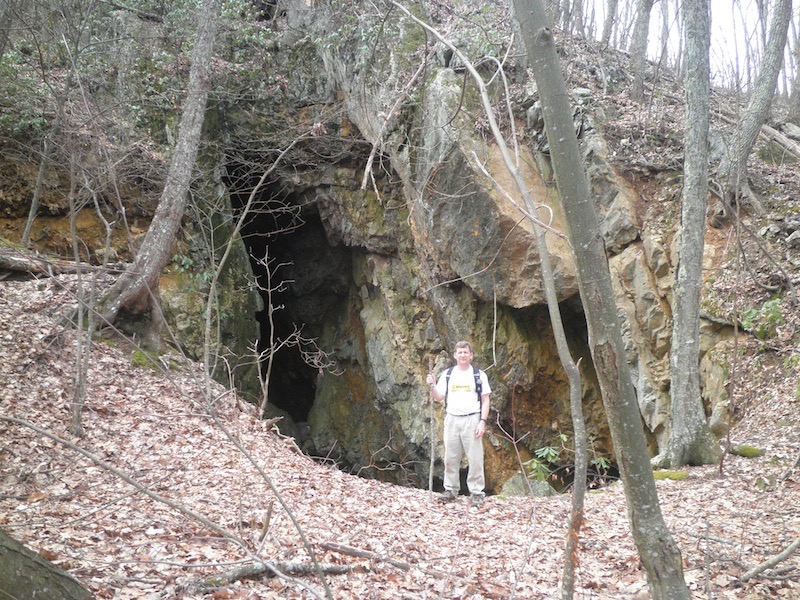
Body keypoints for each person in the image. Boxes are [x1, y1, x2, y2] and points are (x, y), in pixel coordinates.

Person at [427, 341, 491, 507]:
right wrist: (432, 385)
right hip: (452, 419)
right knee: (451, 457)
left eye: (466, 352)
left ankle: (476, 492)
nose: (462, 355)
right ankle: (450, 490)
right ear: (455, 355)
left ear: (471, 355)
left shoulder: (479, 375)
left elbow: (485, 400)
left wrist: (482, 422)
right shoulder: (448, 374)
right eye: (460, 352)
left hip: (472, 419)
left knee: (475, 458)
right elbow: (438, 397)